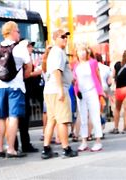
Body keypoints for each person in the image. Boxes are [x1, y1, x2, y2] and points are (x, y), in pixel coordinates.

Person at [0, 21, 31, 158]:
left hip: (0, 86)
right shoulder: (20, 48)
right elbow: (29, 67)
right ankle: (11, 149)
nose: (19, 34)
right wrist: (24, 75)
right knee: (13, 117)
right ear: (12, 32)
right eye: (18, 31)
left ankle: (1, 149)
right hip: (15, 86)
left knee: (2, 118)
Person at [41, 29, 78, 159]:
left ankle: (46, 149)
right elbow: (57, 70)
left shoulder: (54, 52)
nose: (65, 39)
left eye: (66, 37)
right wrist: (61, 89)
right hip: (57, 90)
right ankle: (66, 148)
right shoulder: (58, 52)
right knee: (63, 120)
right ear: (55, 38)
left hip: (50, 90)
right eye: (62, 37)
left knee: (51, 120)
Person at [73, 44, 104, 152]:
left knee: (95, 116)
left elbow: (98, 77)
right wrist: (77, 91)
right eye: (79, 51)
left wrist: (101, 92)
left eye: (83, 51)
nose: (81, 53)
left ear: (87, 52)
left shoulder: (92, 63)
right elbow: (75, 80)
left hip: (92, 91)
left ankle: (98, 140)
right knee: (82, 117)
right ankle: (84, 140)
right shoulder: (76, 65)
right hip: (81, 94)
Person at [15, 40, 40, 153]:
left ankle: (24, 144)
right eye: (29, 46)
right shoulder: (22, 60)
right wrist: (36, 72)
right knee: (19, 120)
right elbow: (26, 75)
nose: (31, 48)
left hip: (26, 92)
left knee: (23, 120)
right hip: (21, 92)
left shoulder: (28, 60)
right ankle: (20, 145)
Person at [110, 50, 126, 134]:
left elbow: (113, 75)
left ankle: (116, 128)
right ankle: (125, 128)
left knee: (117, 109)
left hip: (119, 89)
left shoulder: (117, 65)